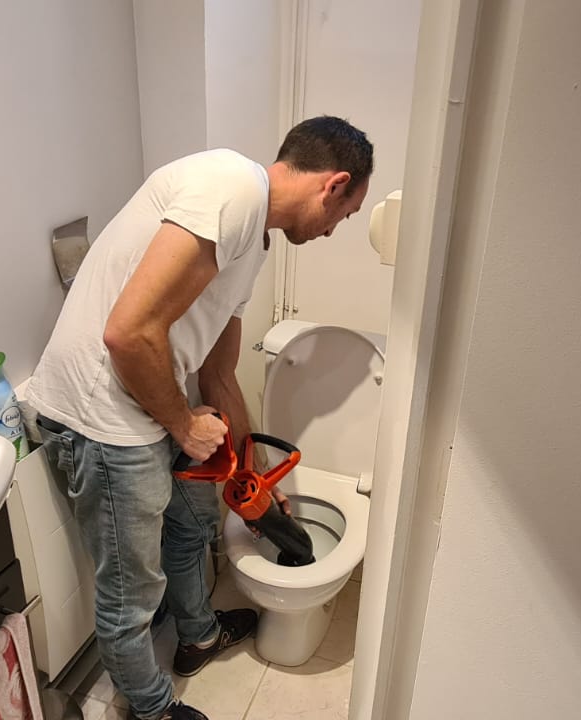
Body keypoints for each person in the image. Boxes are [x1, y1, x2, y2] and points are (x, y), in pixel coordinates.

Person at [26, 116, 373, 720]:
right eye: (343, 217)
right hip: (101, 416)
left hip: (149, 401)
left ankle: (199, 633)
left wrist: (258, 479)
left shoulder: (253, 239)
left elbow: (217, 375)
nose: (332, 232)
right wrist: (185, 426)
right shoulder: (231, 189)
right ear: (334, 185)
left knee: (191, 526)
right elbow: (128, 335)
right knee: (131, 594)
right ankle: (154, 709)